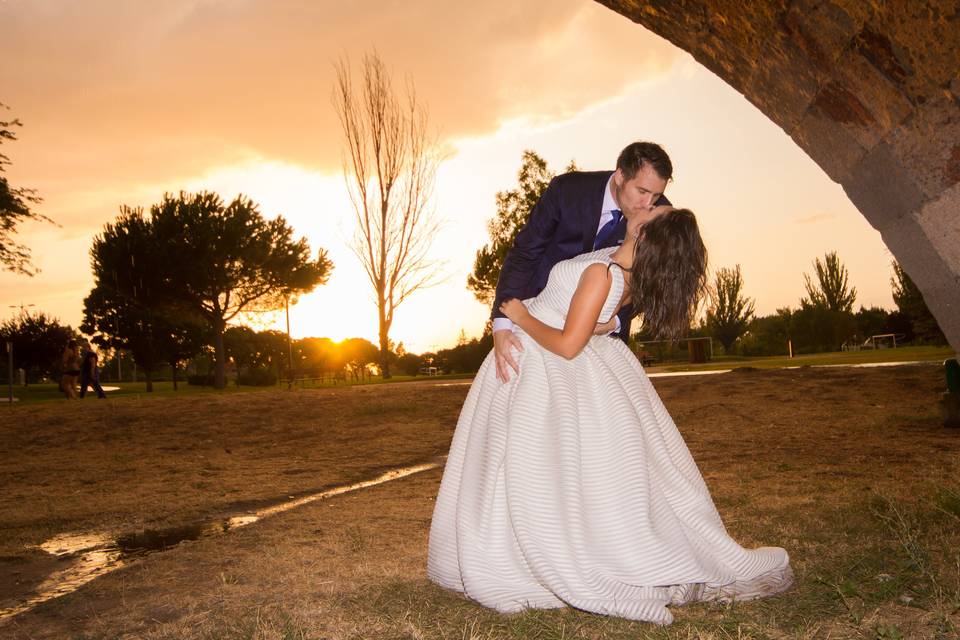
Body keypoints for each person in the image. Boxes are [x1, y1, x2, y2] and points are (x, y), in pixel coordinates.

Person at [427, 209, 793, 625]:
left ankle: (533, 560)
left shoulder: (606, 273)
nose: (652, 203)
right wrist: (603, 323)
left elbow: (567, 346)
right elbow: (593, 321)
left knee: (534, 474)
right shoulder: (618, 264)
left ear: (649, 234)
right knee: (541, 477)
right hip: (554, 366)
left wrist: (522, 317)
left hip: (551, 366)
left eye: (657, 208)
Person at [491, 141, 674, 384]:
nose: (648, 204)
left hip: (602, 338)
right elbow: (525, 253)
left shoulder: (658, 215)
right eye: (642, 191)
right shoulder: (567, 191)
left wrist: (618, 319)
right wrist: (503, 322)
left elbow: (658, 277)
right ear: (620, 176)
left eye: (657, 194)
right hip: (539, 319)